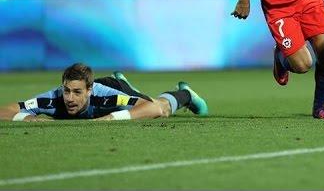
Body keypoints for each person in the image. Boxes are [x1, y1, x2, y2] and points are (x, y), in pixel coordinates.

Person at [0, 63, 209, 121]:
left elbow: (152, 109)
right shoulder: (53, 99)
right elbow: (4, 110)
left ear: (89, 90)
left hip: (116, 89)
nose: (70, 98)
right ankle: (130, 88)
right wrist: (27, 119)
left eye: (76, 92)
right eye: (66, 91)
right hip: (108, 93)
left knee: (161, 108)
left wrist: (111, 117)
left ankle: (187, 94)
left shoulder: (106, 96)